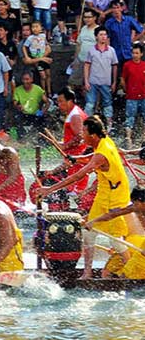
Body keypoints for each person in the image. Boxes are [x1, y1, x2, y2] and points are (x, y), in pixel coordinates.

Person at [33, 116, 131, 279]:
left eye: (84, 132)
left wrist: (49, 189)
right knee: (88, 233)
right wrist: (75, 159)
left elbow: (79, 175)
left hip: (116, 197)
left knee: (116, 241)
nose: (81, 135)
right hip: (104, 194)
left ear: (93, 135)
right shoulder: (105, 140)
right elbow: (92, 158)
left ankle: (132, 273)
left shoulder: (102, 152)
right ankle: (87, 273)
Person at [85, 186, 145, 279]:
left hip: (138, 242)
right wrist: (93, 221)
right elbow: (112, 214)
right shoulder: (133, 208)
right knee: (127, 274)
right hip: (142, 245)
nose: (134, 206)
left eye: (136, 203)